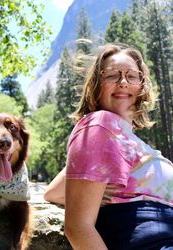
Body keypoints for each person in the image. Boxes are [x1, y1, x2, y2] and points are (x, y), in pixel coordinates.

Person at [43, 43, 173, 250]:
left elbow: (53, 192)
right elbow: (77, 227)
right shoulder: (101, 124)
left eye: (132, 76)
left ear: (142, 85)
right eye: (112, 75)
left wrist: (100, 186)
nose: (123, 82)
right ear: (96, 84)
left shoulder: (125, 140)